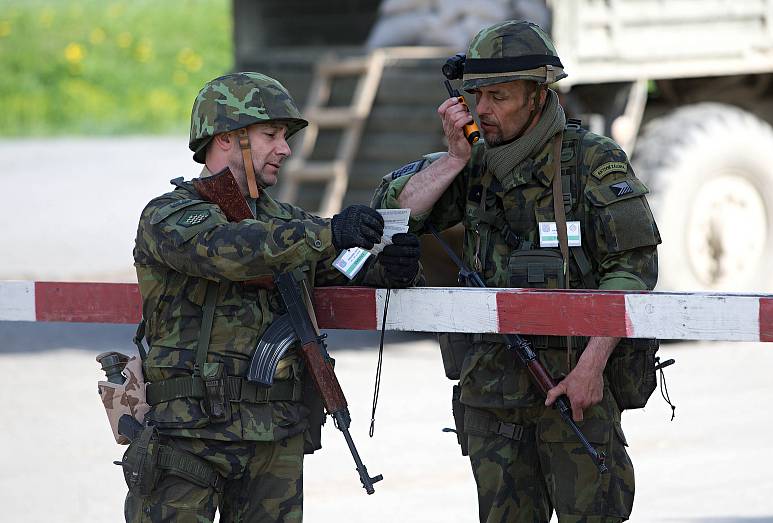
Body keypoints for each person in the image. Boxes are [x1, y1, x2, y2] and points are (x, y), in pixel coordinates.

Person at [375, 20, 661, 522]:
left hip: (575, 388)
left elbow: (632, 271)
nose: (484, 110)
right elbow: (394, 215)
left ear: (537, 94)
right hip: (493, 397)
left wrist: (591, 369)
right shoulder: (470, 164)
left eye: (499, 96)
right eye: (476, 95)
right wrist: (454, 159)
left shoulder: (592, 162)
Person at [128, 72, 421, 522]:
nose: (285, 149)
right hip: (190, 434)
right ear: (226, 138)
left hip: (274, 435)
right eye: (271, 134)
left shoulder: (286, 220)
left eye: (285, 136)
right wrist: (328, 231)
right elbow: (230, 249)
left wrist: (385, 267)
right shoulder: (169, 214)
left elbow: (332, 270)